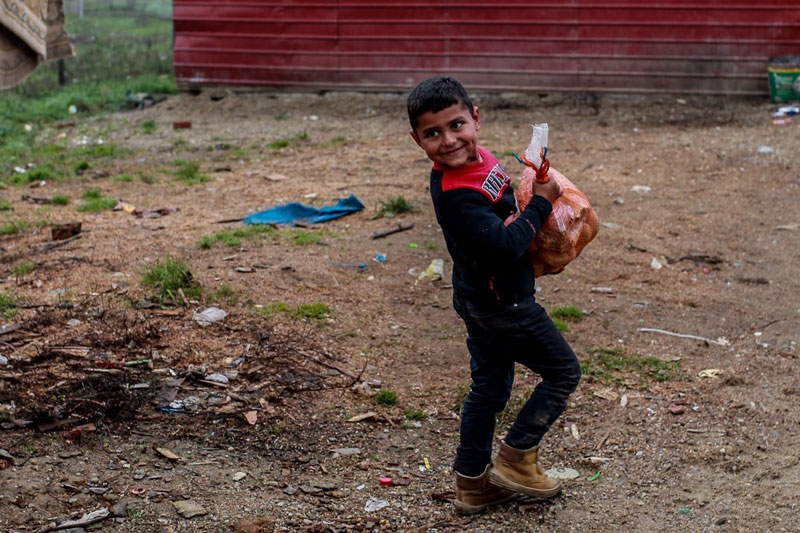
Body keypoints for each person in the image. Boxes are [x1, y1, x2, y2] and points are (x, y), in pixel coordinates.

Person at [406, 76, 582, 515]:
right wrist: (541, 204)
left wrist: (534, 180)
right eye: (433, 133)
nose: (448, 141)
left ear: (476, 119)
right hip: (504, 304)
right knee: (562, 372)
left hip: (479, 298)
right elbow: (503, 248)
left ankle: (472, 486)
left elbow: (505, 207)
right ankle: (517, 458)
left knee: (488, 389)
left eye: (456, 125)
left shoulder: (481, 160)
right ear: (417, 140)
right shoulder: (454, 195)